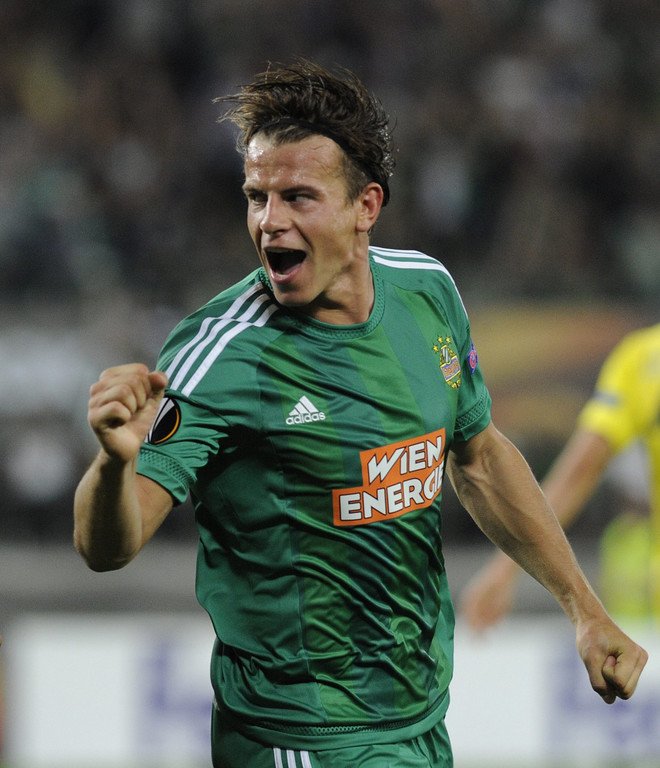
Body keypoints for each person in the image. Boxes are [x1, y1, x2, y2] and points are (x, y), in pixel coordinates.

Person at [73, 60, 648, 768]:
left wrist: (584, 611)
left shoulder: (427, 294)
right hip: (297, 735)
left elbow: (480, 458)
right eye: (257, 197)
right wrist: (113, 463)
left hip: (418, 721)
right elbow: (107, 548)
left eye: (298, 197)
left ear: (365, 207)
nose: (270, 222)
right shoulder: (221, 355)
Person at [461, 323, 660, 631]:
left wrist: (504, 569)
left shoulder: (646, 358)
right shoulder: (643, 360)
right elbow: (579, 471)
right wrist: (507, 566)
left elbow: (579, 472)